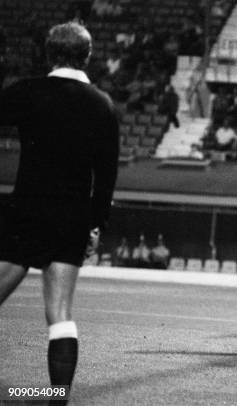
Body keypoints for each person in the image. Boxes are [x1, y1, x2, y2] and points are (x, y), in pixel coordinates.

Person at [0, 22, 119, 404]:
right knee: (60, 314)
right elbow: (106, 177)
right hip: (72, 217)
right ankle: (55, 399)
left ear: (48, 54)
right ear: (87, 56)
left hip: (26, 211)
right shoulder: (102, 104)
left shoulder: (26, 92)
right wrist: (96, 225)